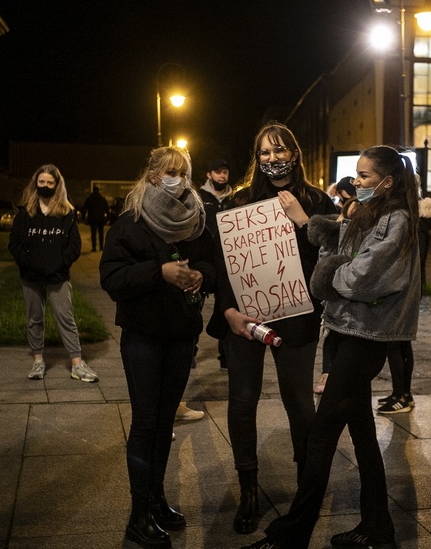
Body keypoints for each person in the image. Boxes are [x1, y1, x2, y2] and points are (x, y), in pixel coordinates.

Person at [242, 145, 421, 549]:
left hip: (369, 335)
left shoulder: (398, 221)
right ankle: (378, 527)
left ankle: (292, 534)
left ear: (388, 182)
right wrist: (322, 237)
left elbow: (362, 276)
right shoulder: (367, 213)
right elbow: (337, 252)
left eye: (365, 176)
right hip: (344, 330)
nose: (356, 182)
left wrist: (327, 276)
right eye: (356, 175)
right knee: (360, 433)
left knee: (322, 434)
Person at [217, 122, 337, 535]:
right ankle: (248, 488)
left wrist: (304, 219)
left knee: (300, 403)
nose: (273, 158)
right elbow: (222, 265)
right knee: (243, 399)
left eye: (280, 150)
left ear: (295, 153)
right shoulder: (237, 202)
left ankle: (307, 489)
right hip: (246, 316)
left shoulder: (318, 200)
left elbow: (334, 256)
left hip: (298, 315)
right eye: (265, 152)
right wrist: (229, 311)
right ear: (256, 158)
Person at [99, 146, 216, 549]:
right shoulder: (130, 222)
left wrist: (202, 275)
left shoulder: (196, 219)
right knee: (146, 423)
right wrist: (159, 271)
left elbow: (212, 263)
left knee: (165, 424)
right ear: (152, 176)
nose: (179, 179)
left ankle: (157, 498)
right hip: (144, 337)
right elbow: (112, 278)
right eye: (171, 172)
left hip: (182, 335)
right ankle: (138, 513)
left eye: (184, 172)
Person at [8, 164, 98, 383]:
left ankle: (77, 364)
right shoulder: (25, 212)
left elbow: (74, 246)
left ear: (57, 185)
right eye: (41, 182)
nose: (45, 186)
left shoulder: (66, 213)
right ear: (35, 184)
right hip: (31, 276)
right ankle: (38, 361)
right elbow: (15, 244)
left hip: (58, 276)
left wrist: (59, 264)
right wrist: (29, 263)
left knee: (66, 317)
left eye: (50, 183)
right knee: (34, 319)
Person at [376, 181, 431, 415]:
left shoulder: (412, 223)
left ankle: (401, 395)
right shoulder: (413, 220)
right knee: (400, 342)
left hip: (405, 289)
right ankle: (402, 393)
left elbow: (412, 261)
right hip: (407, 288)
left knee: (395, 342)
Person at [314, 175, 357, 395]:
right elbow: (325, 258)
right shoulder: (337, 220)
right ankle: (328, 372)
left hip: (354, 298)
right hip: (334, 296)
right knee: (331, 334)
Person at [197, 157, 233, 370]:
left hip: (228, 261)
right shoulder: (199, 197)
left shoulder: (234, 198)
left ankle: (226, 357)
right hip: (204, 259)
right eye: (217, 171)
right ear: (209, 174)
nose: (222, 175)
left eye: (225, 172)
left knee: (225, 305)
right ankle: (190, 352)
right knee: (195, 306)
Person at [81, 185, 110, 252]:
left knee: (93, 233)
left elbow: (84, 208)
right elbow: (107, 209)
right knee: (101, 233)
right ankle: (101, 247)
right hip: (101, 218)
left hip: (92, 218)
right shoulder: (102, 199)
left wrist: (83, 217)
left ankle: (94, 247)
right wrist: (108, 217)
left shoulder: (89, 199)